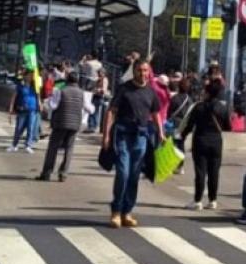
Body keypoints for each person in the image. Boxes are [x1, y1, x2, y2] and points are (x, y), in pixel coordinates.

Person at [103, 59, 164, 229]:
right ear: (134, 71)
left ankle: (127, 212)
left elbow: (156, 113)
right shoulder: (124, 89)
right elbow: (111, 112)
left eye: (145, 70)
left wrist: (161, 133)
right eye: (139, 70)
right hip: (123, 134)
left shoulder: (151, 92)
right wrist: (106, 136)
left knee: (134, 176)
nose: (142, 73)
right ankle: (116, 211)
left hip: (141, 137)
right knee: (123, 172)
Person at [181, 78, 232, 210]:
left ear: (207, 93)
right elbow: (228, 127)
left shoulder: (199, 107)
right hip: (216, 142)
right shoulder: (223, 108)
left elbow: (189, 126)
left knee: (200, 171)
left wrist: (182, 136)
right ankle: (212, 200)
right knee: (214, 171)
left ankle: (197, 200)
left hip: (200, 141)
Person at [38, 72, 92, 182]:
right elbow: (90, 109)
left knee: (53, 148)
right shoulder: (82, 93)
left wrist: (48, 101)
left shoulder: (60, 91)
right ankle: (63, 173)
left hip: (60, 123)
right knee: (69, 148)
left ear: (67, 80)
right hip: (74, 124)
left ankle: (47, 173)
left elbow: (53, 105)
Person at [8, 69, 40, 153]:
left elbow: (38, 95)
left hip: (32, 109)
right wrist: (11, 108)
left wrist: (39, 104)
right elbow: (14, 97)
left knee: (31, 127)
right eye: (29, 75)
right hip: (22, 109)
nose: (31, 77)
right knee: (19, 128)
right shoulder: (20, 85)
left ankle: (28, 145)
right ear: (25, 76)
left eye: (32, 75)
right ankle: (14, 145)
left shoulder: (35, 86)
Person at [88, 68, 110, 133]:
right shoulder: (99, 79)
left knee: (95, 112)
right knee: (92, 111)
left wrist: (97, 90)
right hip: (95, 96)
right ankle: (91, 126)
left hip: (99, 97)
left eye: (99, 72)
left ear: (103, 73)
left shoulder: (104, 79)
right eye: (98, 72)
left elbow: (104, 89)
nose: (98, 73)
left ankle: (94, 126)